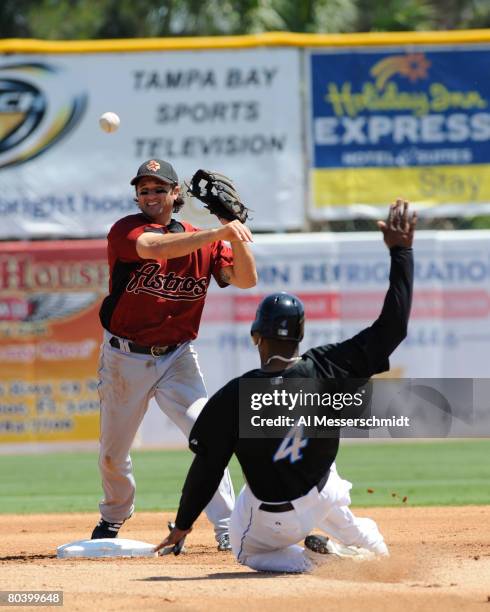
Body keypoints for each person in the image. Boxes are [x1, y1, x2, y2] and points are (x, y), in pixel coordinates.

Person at [155, 199, 416, 572]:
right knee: (375, 552)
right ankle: (359, 545)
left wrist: (182, 525)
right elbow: (394, 326)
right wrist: (401, 252)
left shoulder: (235, 396)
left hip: (272, 519)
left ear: (255, 336)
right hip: (324, 495)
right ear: (301, 335)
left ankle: (316, 564)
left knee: (248, 553)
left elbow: (208, 468)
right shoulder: (328, 366)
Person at [91, 158, 257, 551]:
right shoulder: (126, 230)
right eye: (144, 190)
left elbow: (247, 280)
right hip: (125, 356)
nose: (150, 196)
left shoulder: (209, 239)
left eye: (159, 189)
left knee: (207, 433)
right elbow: (152, 247)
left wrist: (235, 235)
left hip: (177, 357)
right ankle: (115, 515)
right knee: (114, 453)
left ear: (175, 194)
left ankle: (227, 527)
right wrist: (219, 231)